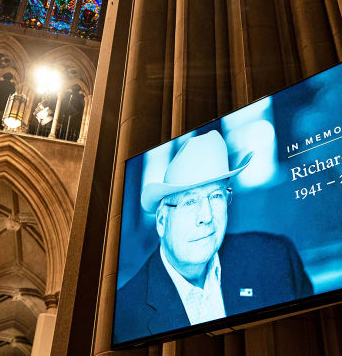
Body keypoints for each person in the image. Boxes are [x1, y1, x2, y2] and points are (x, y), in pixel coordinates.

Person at [114, 130, 313, 344]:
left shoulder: (276, 259)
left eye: (216, 196)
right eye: (190, 202)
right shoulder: (124, 315)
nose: (207, 217)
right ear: (162, 221)